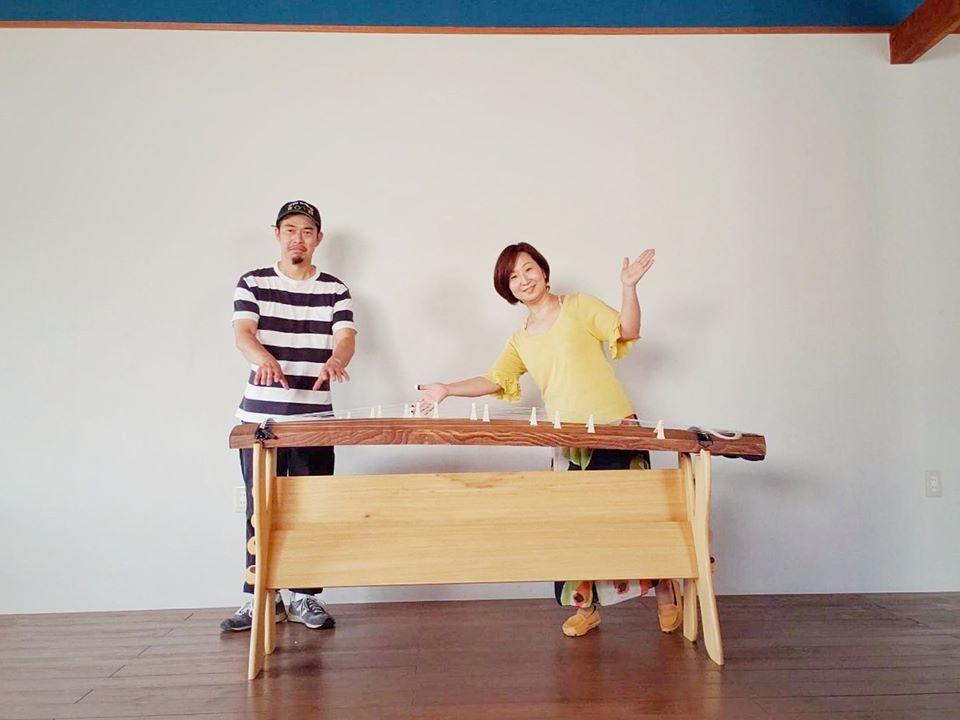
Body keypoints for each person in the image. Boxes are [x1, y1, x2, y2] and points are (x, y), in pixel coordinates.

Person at [418, 242, 682, 637]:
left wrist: (629, 287)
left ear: (543, 271)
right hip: (568, 440)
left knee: (635, 517)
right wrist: (447, 389)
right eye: (513, 277)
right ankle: (586, 608)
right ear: (507, 288)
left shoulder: (578, 306)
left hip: (616, 427)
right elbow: (494, 379)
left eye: (528, 269)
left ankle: (666, 592)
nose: (523, 280)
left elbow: (627, 330)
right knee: (573, 525)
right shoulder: (520, 339)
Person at [220, 200, 357, 633]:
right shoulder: (253, 282)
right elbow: (243, 333)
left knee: (311, 509)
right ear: (277, 234)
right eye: (291, 229)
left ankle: (305, 596)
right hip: (261, 420)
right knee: (259, 509)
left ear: (319, 238)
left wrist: (336, 359)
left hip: (315, 421)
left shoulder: (335, 289)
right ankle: (258, 596)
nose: (299, 238)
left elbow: (346, 338)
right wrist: (263, 358)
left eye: (307, 231)